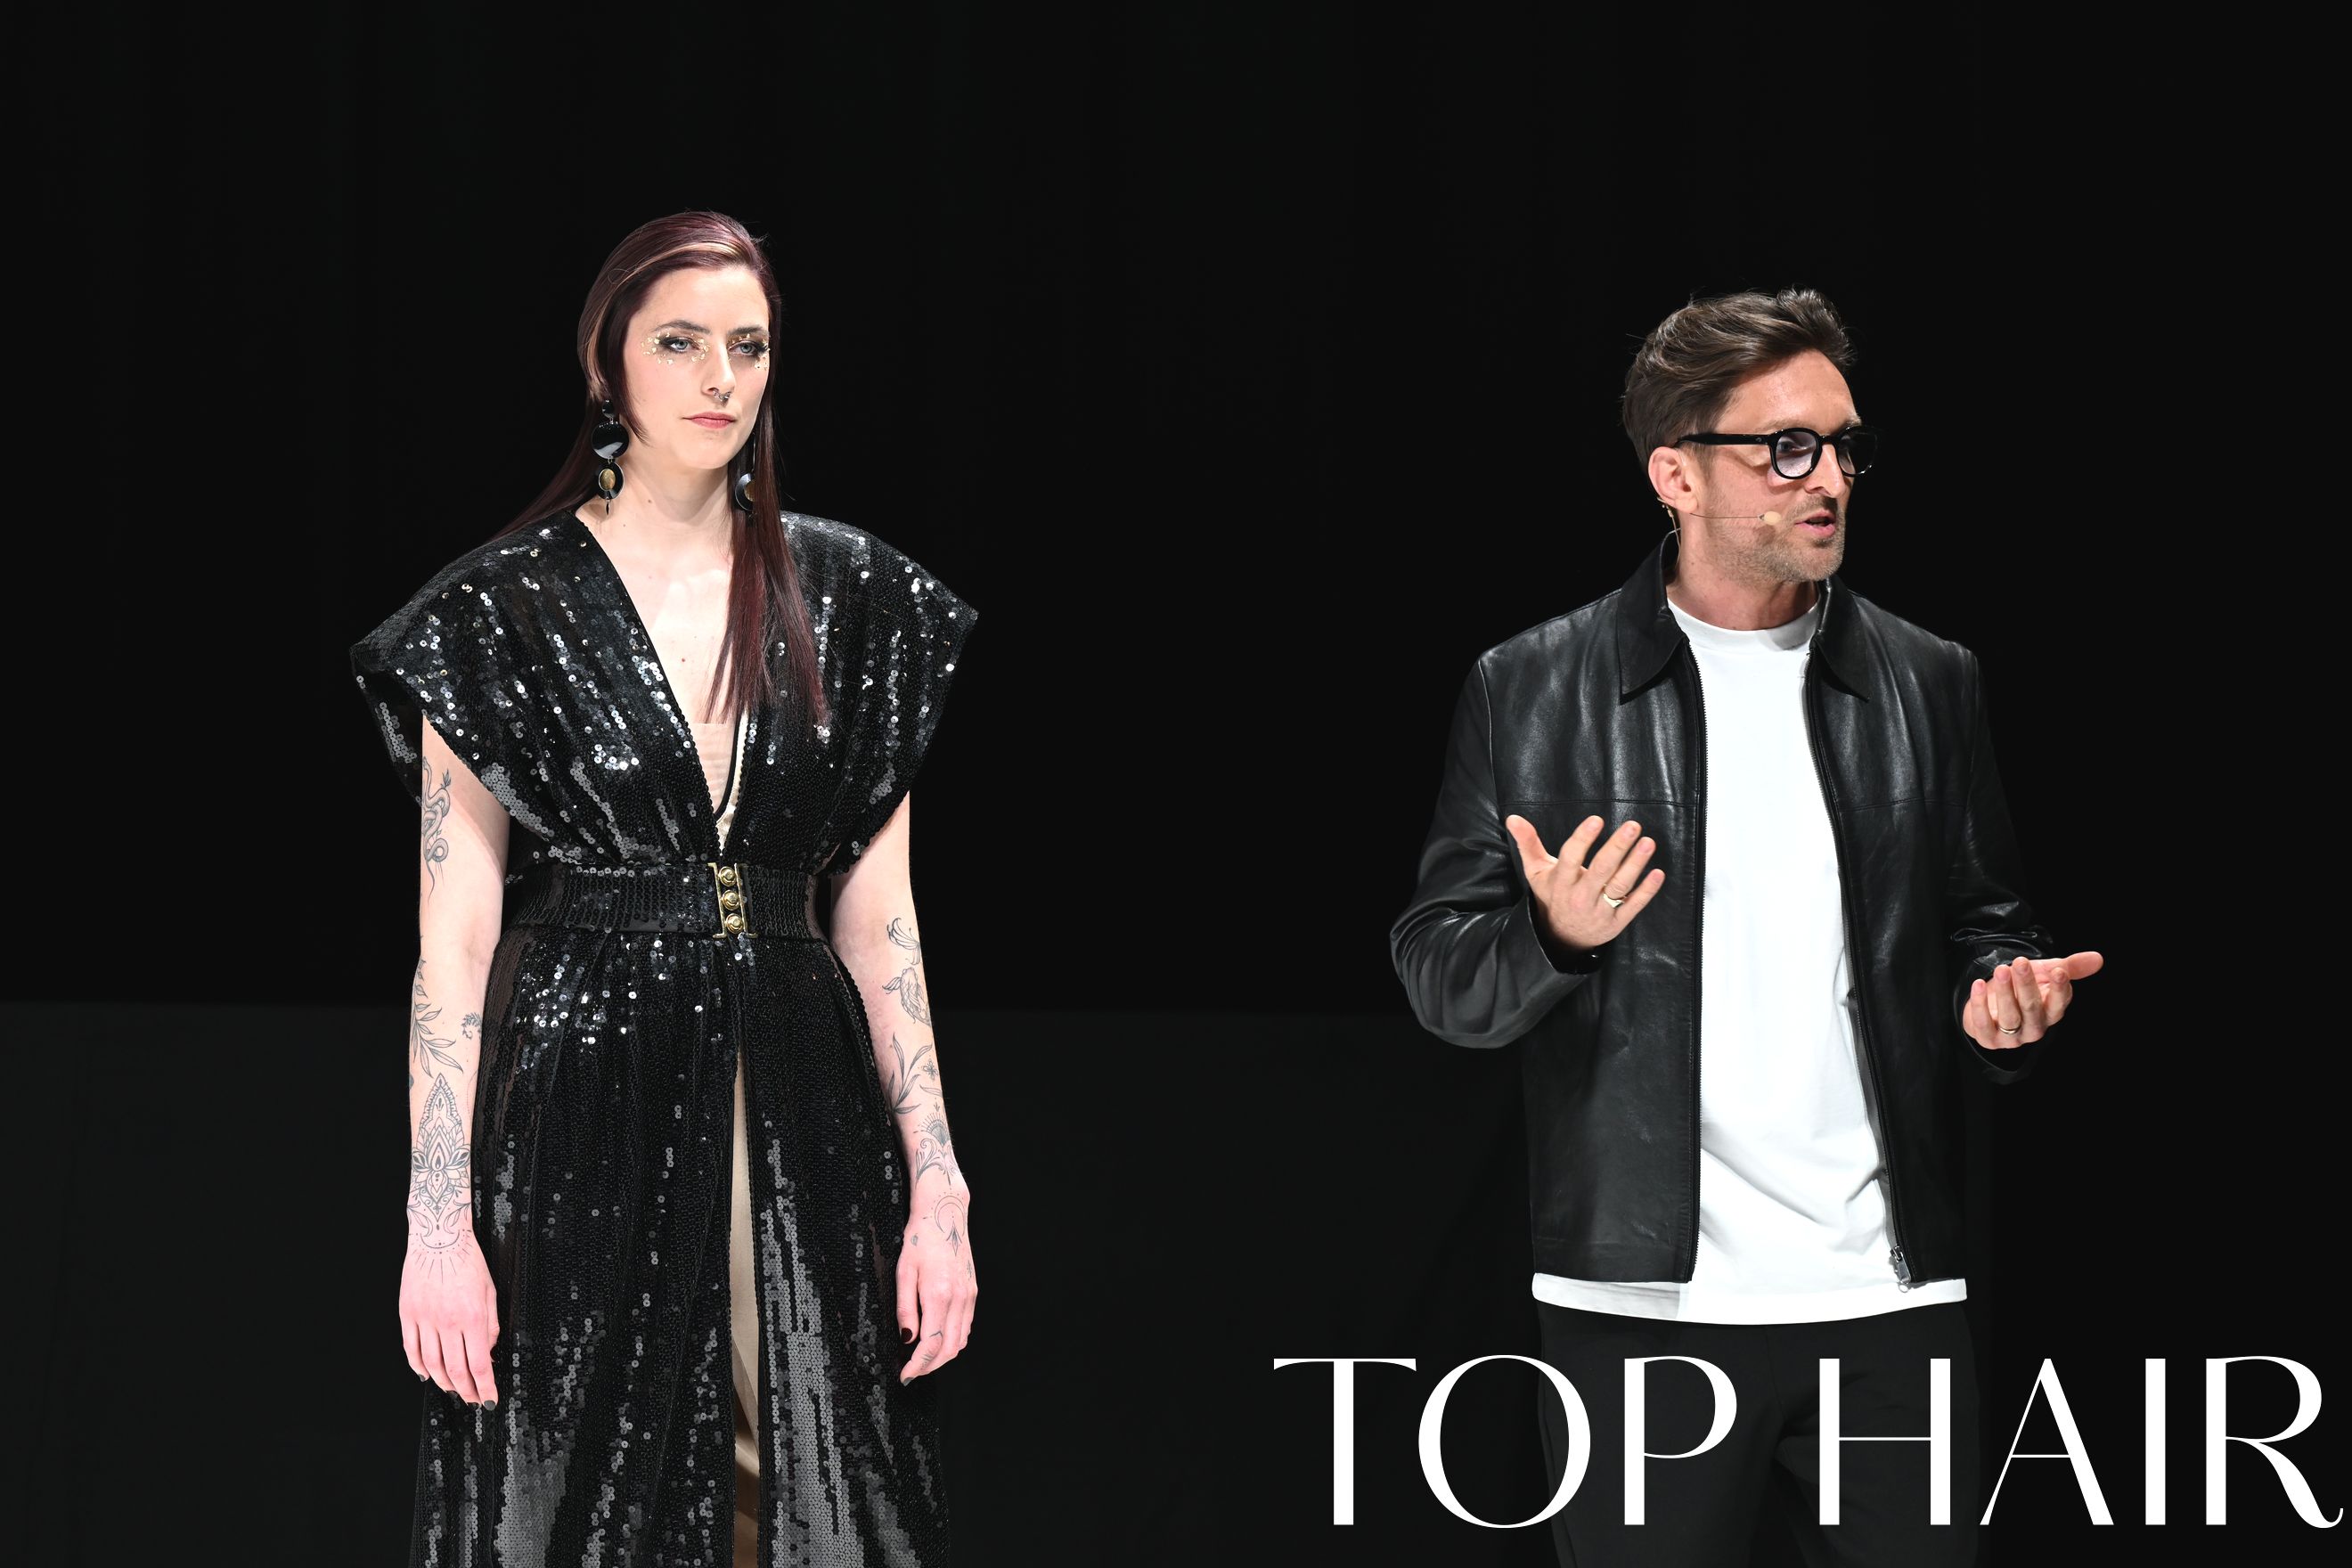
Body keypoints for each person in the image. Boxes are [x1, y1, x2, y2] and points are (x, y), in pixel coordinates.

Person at [1389, 287, 2101, 1564]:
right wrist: (1553, 937)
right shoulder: (1532, 686)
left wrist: (2002, 997)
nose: (1827, 478)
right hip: (1640, 1311)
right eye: (1785, 447)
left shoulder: (1930, 680)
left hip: (1888, 1297)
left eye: (1842, 445)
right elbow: (1442, 977)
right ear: (1676, 475)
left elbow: (1981, 923)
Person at [350, 210, 978, 1567]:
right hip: (578, 1097)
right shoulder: (498, 612)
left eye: (748, 346)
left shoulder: (857, 596)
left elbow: (883, 924)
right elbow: (453, 945)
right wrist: (435, 1219)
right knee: (571, 1493)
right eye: (680, 343)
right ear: (608, 362)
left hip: (804, 1087)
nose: (720, 378)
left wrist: (939, 1186)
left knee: (821, 1486)